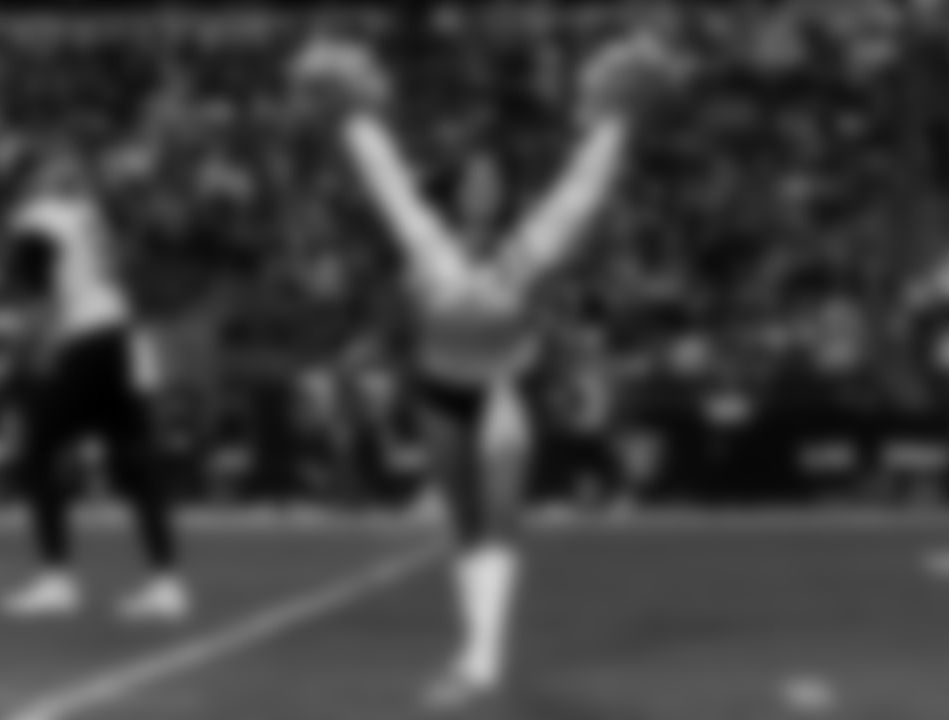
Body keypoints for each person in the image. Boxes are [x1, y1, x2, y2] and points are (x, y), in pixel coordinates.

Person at [290, 29, 684, 707]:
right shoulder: (427, 247)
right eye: (472, 178)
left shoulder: (527, 250)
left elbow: (581, 194)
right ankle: (478, 650)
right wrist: (351, 114)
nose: (482, 186)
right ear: (456, 191)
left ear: (505, 192)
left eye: (494, 178)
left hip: (503, 387)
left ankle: (480, 663)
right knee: (465, 524)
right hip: (439, 389)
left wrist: (620, 118)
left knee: (501, 517)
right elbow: (384, 183)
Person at [0, 151, 188, 624]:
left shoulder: (39, 218)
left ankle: (56, 578)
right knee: (136, 457)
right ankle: (165, 582)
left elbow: (38, 294)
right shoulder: (89, 215)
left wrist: (33, 353)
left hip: (81, 340)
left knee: (39, 452)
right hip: (119, 335)